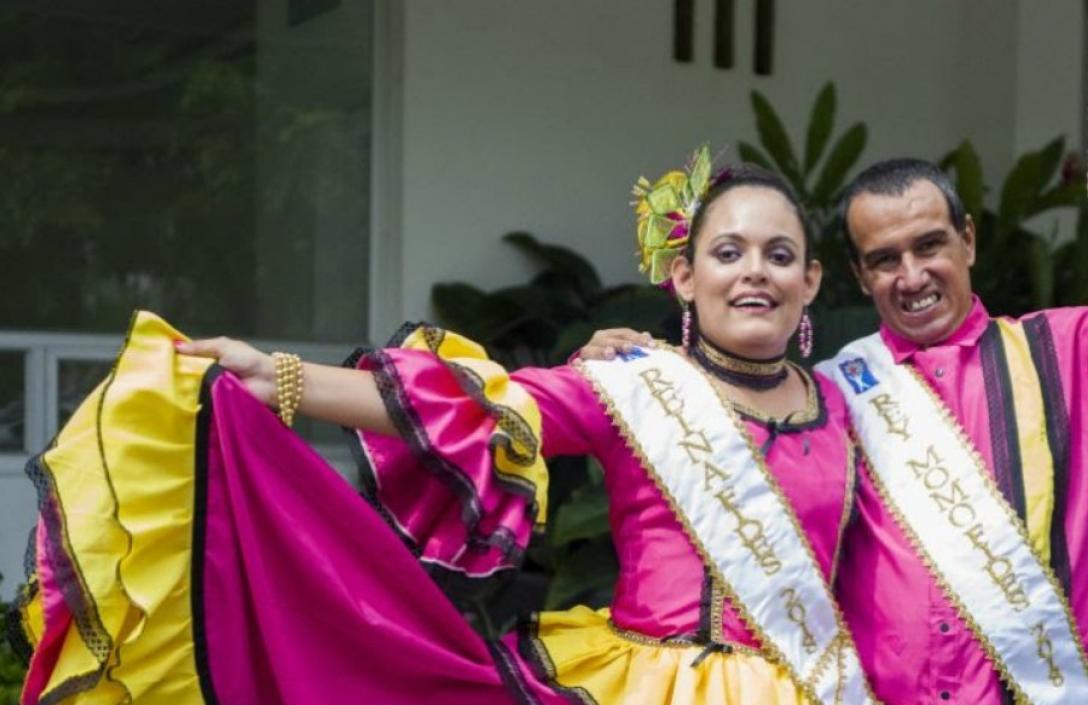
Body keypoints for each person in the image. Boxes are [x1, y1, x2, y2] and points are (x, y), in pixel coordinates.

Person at [13, 150, 879, 704]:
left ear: (809, 281)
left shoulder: (849, 406)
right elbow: (461, 405)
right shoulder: (632, 386)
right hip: (643, 685)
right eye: (728, 253)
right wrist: (276, 376)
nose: (754, 272)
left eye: (779, 254)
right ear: (684, 277)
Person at [584, 158, 1088, 704]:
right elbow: (717, 440)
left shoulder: (1075, 351)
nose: (912, 276)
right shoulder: (826, 394)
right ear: (857, 274)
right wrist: (645, 364)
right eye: (884, 259)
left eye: (930, 245)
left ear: (967, 240)